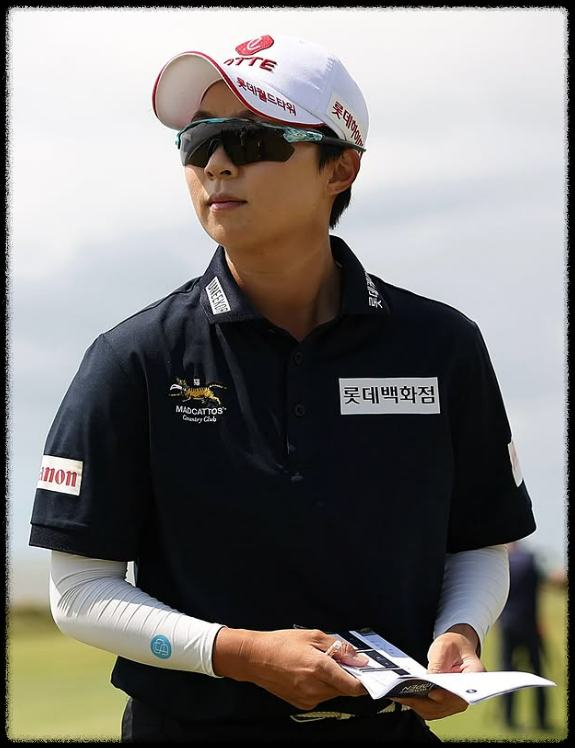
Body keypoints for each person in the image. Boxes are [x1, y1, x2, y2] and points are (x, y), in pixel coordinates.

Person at [29, 34, 537, 743]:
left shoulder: (442, 345)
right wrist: (238, 653)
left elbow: (479, 541)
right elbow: (79, 591)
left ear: (341, 166)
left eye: (251, 138)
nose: (216, 163)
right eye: (197, 141)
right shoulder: (133, 358)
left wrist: (459, 630)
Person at [498, 542, 551, 730]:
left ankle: (508, 719)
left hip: (507, 624)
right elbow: (541, 585)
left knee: (507, 673)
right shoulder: (530, 559)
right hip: (529, 624)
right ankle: (541, 720)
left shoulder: (502, 563)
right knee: (537, 673)